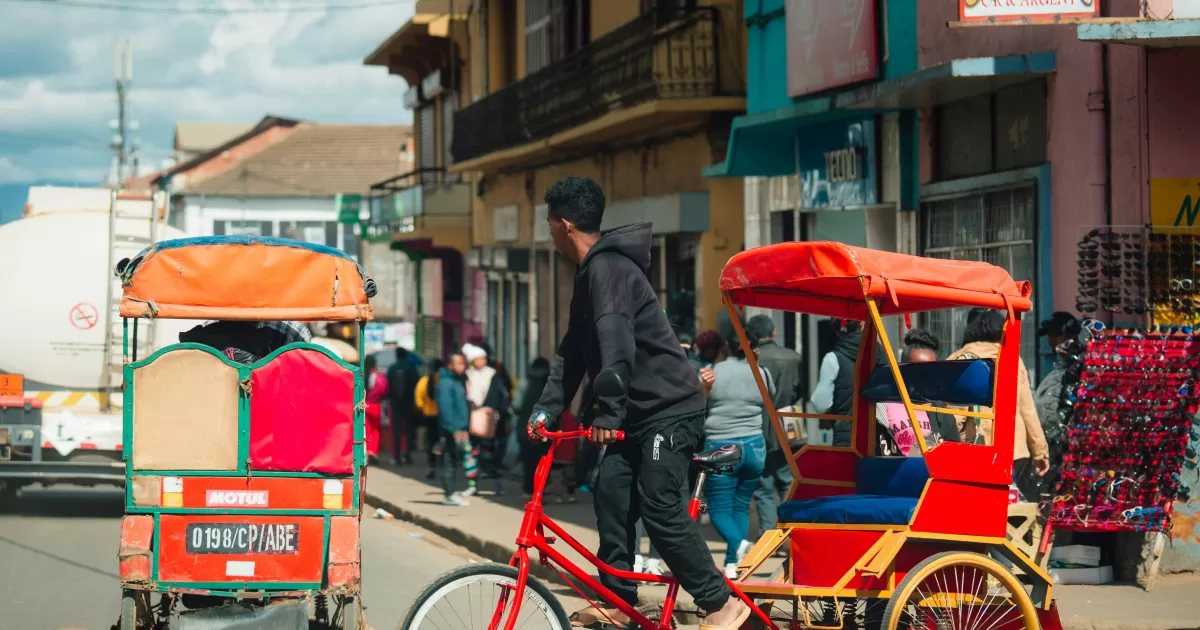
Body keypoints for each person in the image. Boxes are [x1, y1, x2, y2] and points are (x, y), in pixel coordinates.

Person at [526, 176, 746, 629]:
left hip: (669, 409)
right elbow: (573, 352)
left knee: (660, 505)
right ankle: (616, 597)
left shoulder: (608, 270)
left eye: (549, 224)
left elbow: (616, 345)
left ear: (564, 225)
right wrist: (547, 407)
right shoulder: (590, 273)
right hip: (638, 414)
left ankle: (721, 603)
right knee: (610, 490)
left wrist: (608, 412)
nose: (549, 233)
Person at [947, 308, 1049, 501]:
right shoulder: (1013, 360)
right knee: (1008, 507)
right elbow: (1028, 410)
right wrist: (1040, 452)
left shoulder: (961, 359)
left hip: (977, 453)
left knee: (979, 506)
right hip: (1014, 452)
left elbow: (956, 414)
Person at [698, 333, 773, 578]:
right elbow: (772, 399)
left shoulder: (712, 372)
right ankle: (733, 565)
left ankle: (738, 545)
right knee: (741, 506)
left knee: (718, 507)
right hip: (755, 446)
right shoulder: (761, 372)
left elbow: (700, 402)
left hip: (722, 446)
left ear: (727, 346)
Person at [745, 314, 800, 539]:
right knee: (788, 480)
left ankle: (767, 536)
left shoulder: (752, 358)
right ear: (773, 332)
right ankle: (789, 531)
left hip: (759, 422)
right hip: (787, 421)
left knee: (763, 485)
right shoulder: (793, 357)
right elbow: (799, 390)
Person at [873, 329, 960, 456]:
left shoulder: (943, 415)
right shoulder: (883, 407)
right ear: (902, 369)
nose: (924, 376)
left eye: (930, 369)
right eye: (917, 369)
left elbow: (954, 456)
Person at [812, 320, 881, 447]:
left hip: (847, 435)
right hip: (879, 433)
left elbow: (820, 404)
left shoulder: (833, 358)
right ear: (861, 323)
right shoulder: (881, 353)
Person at [1034, 312, 1080, 494]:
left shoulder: (1079, 366)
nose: (1051, 341)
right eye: (1049, 336)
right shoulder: (1060, 367)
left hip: (1068, 451)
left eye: (1055, 334)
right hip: (1053, 449)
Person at [463, 343, 509, 495]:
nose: (481, 361)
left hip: (488, 421)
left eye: (483, 358)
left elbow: (499, 396)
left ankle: (495, 483)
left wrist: (491, 408)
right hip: (470, 420)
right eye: (478, 359)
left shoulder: (493, 375)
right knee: (470, 454)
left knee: (488, 453)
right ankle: (472, 484)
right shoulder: (467, 375)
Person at [435, 353, 475, 507]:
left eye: (463, 363)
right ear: (450, 366)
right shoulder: (446, 383)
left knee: (453, 460)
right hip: (450, 429)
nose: (462, 367)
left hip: (457, 427)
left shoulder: (456, 381)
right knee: (448, 461)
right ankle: (449, 494)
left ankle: (451, 492)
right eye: (459, 364)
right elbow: (446, 409)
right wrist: (454, 429)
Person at [515, 357, 552, 496]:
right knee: (542, 459)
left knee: (528, 460)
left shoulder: (525, 382)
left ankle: (528, 488)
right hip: (545, 428)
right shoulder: (550, 384)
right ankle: (540, 489)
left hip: (525, 426)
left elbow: (517, 405)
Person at [386, 347, 420, 465]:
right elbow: (417, 384)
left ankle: (397, 456)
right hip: (409, 402)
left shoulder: (392, 368)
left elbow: (388, 386)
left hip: (395, 403)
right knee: (409, 430)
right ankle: (408, 454)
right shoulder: (411, 368)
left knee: (397, 430)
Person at [414, 359, 443, 479]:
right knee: (442, 440)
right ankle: (442, 463)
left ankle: (432, 464)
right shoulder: (443, 380)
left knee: (431, 441)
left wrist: (423, 408)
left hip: (429, 415)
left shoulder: (424, 381)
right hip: (442, 415)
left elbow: (418, 399)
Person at [363, 355, 388, 464]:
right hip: (376, 406)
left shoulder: (363, 375)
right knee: (376, 430)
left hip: (365, 405)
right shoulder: (379, 377)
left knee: (366, 430)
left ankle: (367, 451)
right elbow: (385, 391)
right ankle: (373, 451)